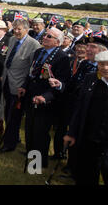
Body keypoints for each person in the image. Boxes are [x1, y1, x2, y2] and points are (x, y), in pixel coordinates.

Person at [21, 27, 71, 168]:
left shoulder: (62, 58)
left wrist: (45, 97)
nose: (45, 37)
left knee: (40, 132)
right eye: (45, 35)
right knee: (30, 127)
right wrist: (24, 86)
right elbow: (32, 73)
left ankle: (39, 162)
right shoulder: (39, 52)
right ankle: (30, 153)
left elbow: (61, 83)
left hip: (46, 101)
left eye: (49, 36)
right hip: (31, 95)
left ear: (57, 42)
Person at [64, 50, 108, 185]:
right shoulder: (91, 79)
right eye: (101, 64)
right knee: (86, 174)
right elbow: (79, 109)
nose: (105, 68)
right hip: (89, 137)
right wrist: (71, 133)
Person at [0, 19, 41, 153]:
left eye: (19, 29)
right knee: (6, 110)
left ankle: (9, 144)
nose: (16, 31)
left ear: (27, 30)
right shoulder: (12, 40)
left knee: (13, 115)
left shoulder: (34, 45)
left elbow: (32, 69)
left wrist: (25, 86)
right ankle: (13, 137)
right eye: (14, 28)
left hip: (19, 86)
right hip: (7, 81)